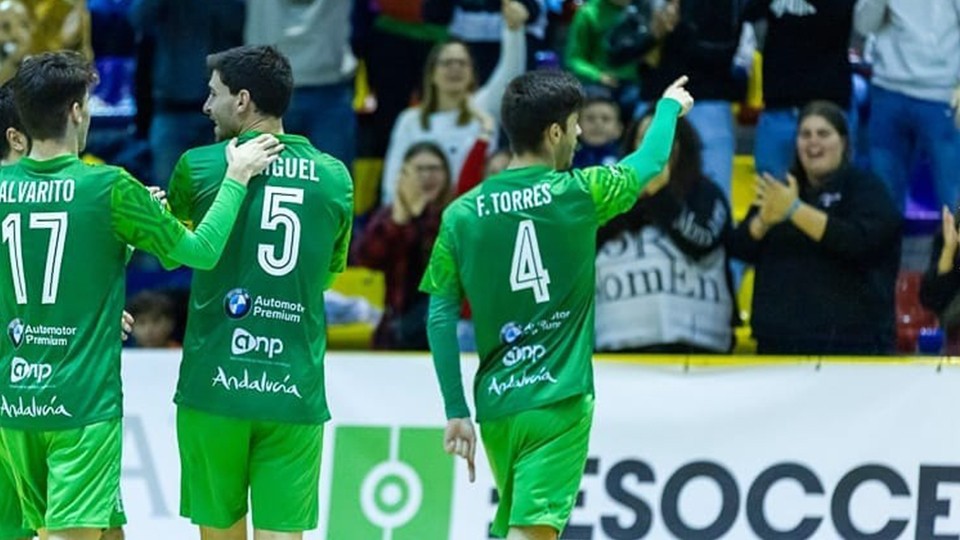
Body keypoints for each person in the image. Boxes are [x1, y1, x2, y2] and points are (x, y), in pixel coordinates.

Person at [0, 51, 278, 540]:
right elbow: (201, 251)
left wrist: (120, 246)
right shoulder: (109, 186)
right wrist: (236, 177)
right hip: (80, 406)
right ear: (77, 112)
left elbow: (57, 263)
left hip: (17, 403)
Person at [420, 70, 692, 539]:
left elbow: (441, 316)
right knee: (534, 532)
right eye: (575, 124)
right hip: (557, 398)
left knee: (512, 527)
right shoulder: (581, 193)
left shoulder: (460, 215)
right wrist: (669, 106)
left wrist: (455, 408)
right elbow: (650, 161)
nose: (580, 133)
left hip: (498, 405)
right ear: (554, 133)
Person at [165, 45, 353, 540]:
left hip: (214, 385)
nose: (206, 107)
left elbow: (176, 251)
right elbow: (328, 274)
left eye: (214, 95)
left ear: (243, 101)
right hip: (292, 389)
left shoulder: (198, 166)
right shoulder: (335, 177)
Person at [728, 100, 900, 354]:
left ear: (843, 141)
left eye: (823, 133)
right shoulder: (780, 190)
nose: (813, 142)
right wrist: (762, 222)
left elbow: (858, 243)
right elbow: (739, 248)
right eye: (805, 134)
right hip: (778, 342)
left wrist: (794, 211)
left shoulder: (866, 188)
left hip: (851, 345)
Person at [595, 113, 736, 353]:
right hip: (617, 349)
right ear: (632, 148)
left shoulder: (705, 193)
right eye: (644, 139)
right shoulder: (611, 196)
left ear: (682, 146)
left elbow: (702, 241)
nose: (654, 147)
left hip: (697, 350)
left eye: (662, 138)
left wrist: (661, 195)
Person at [380, 0, 528, 205]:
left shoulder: (484, 110)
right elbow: (391, 181)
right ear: (431, 73)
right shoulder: (409, 120)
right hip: (418, 218)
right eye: (447, 63)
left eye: (462, 63)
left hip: (471, 217)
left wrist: (514, 30)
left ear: (472, 74)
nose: (454, 69)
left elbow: (511, 74)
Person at [854, 0, 960, 213]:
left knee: (953, 199)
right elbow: (863, 26)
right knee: (883, 201)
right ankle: (887, 247)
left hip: (943, 93)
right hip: (887, 90)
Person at [354, 142, 452, 350]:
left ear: (446, 173)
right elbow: (365, 258)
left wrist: (421, 219)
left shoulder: (455, 215)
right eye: (419, 169)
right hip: (398, 329)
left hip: (446, 326)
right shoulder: (389, 217)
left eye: (434, 168)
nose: (426, 176)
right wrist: (401, 218)